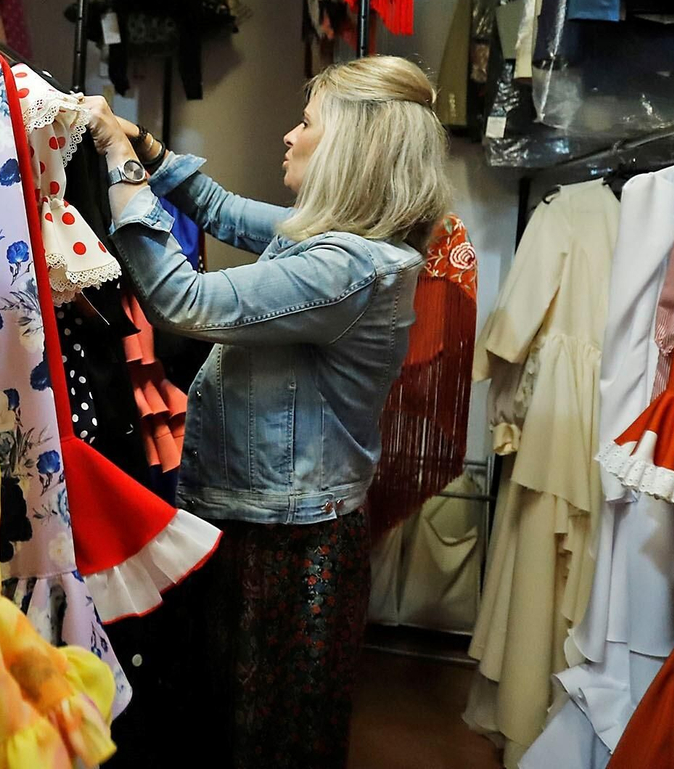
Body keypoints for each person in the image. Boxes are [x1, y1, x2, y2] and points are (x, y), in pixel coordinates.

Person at [81, 54, 452, 769]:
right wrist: (147, 147)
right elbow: (220, 210)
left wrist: (124, 171)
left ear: (349, 148)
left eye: (306, 123)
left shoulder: (349, 267)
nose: (288, 135)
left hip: (288, 542)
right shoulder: (335, 242)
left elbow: (184, 300)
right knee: (242, 717)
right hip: (270, 519)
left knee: (264, 734)